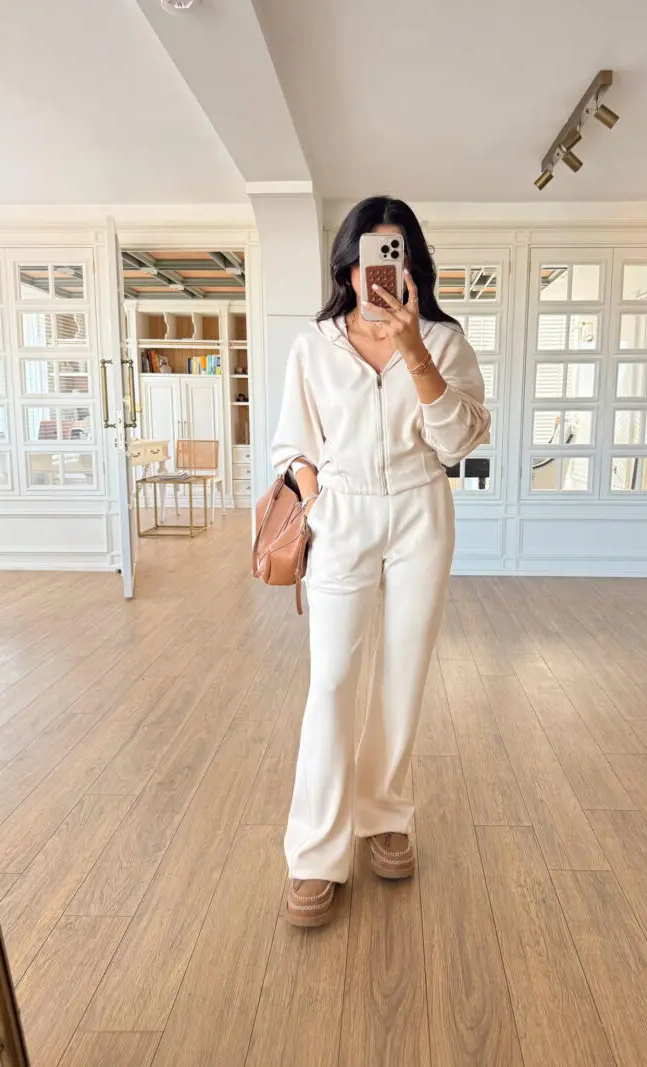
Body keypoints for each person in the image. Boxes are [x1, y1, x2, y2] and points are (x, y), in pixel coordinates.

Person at [271, 196, 490, 926]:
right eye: (369, 257)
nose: (380, 272)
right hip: (344, 514)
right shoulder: (314, 346)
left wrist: (415, 350)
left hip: (422, 510)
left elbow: (456, 443)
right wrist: (318, 503)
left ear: (412, 265)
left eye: (395, 255)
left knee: (404, 675)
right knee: (332, 679)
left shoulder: (444, 341)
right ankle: (315, 850)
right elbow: (291, 445)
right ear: (348, 266)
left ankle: (385, 813)